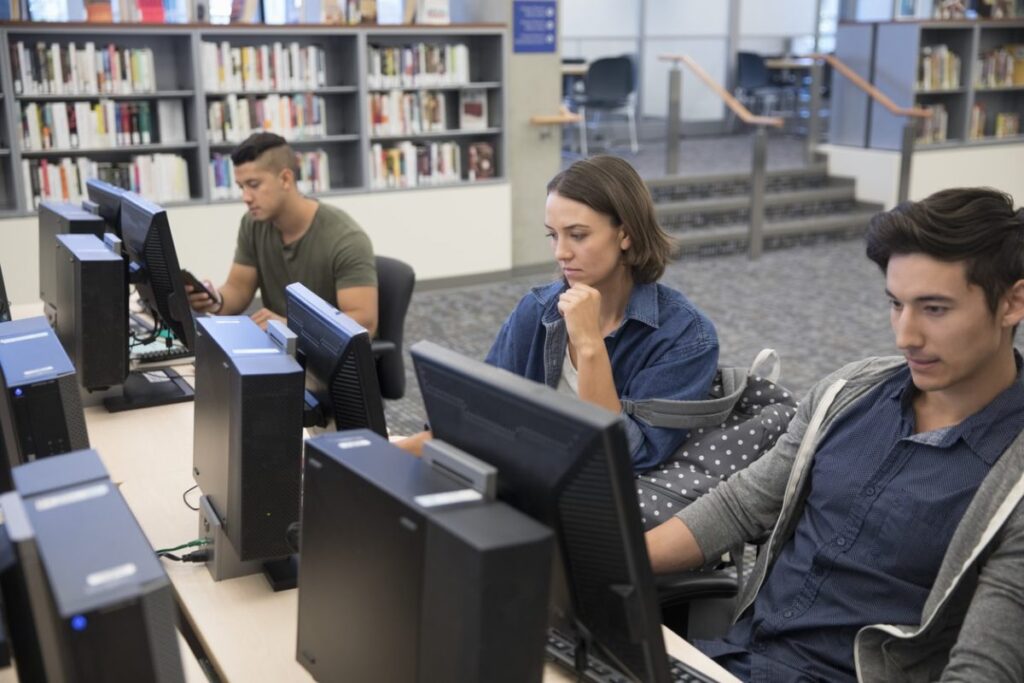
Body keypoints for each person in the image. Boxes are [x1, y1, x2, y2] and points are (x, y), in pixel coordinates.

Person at [646, 187, 1024, 681]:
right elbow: (740, 506)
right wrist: (601, 564)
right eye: (896, 304)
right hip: (733, 662)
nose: (904, 335)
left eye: (934, 309)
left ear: (1013, 302)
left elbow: (982, 669)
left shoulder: (1012, 479)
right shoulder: (848, 391)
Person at [402, 155, 719, 472]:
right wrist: (396, 448)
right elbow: (482, 406)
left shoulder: (686, 337)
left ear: (626, 234)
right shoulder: (538, 308)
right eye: (553, 235)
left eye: (577, 235)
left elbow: (627, 457)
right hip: (523, 475)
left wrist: (589, 344)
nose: (560, 252)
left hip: (602, 498)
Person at [187, 132, 378, 334]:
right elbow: (238, 289)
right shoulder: (253, 224)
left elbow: (364, 324)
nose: (246, 197)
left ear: (286, 179)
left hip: (327, 359)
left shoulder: (345, 239)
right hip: (282, 346)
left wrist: (291, 327)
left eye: (254, 185)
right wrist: (215, 301)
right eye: (241, 187)